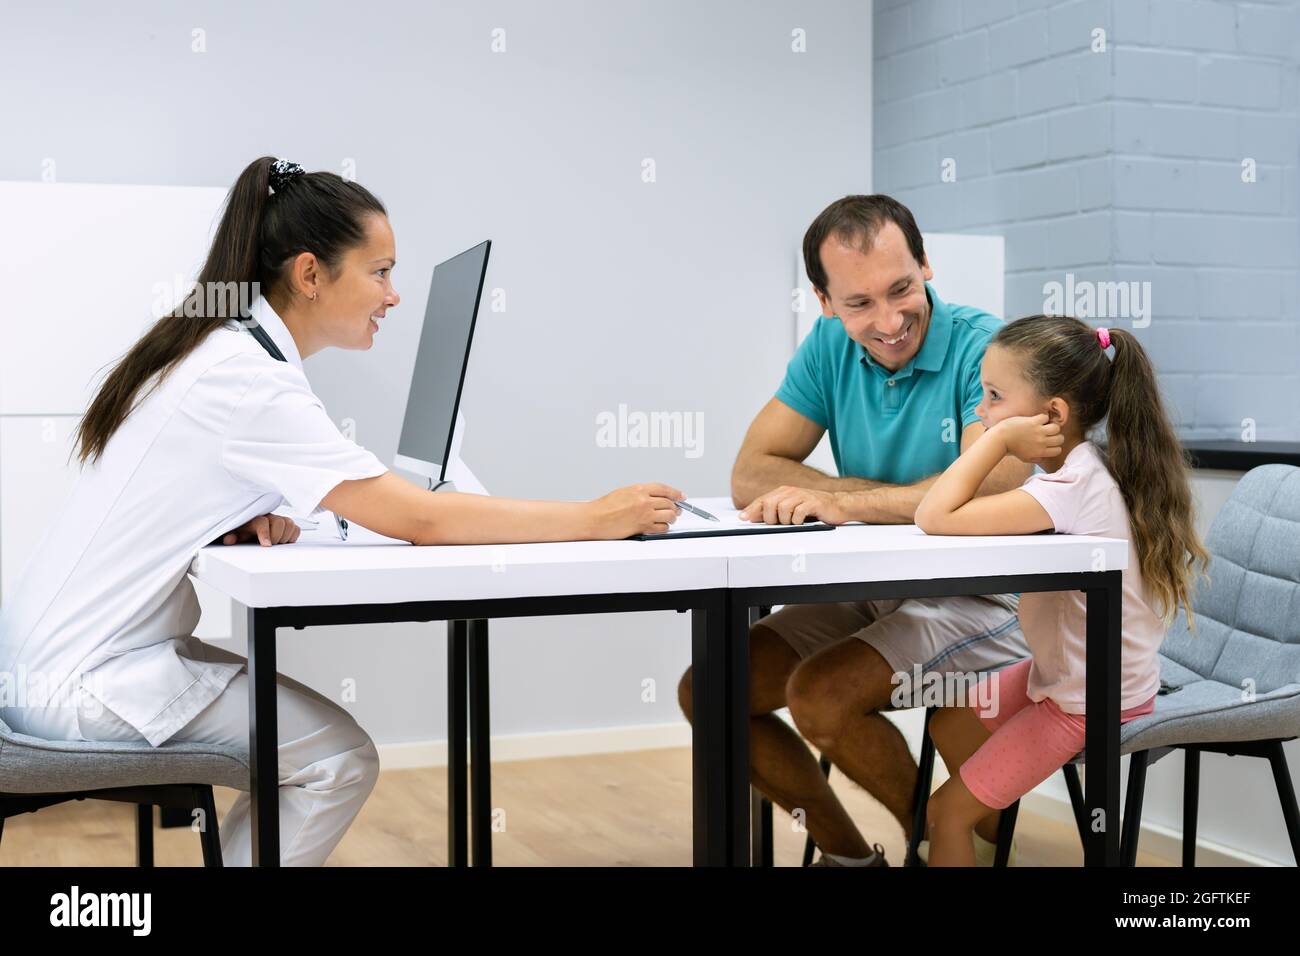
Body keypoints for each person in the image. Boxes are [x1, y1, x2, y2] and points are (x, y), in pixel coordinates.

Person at [0, 156, 682, 866]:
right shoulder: (247, 378)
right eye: (380, 271)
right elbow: (422, 521)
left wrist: (244, 513)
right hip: (82, 686)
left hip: (54, 662)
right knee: (338, 759)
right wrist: (598, 516)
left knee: (324, 751)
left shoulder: (222, 352)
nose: (393, 296)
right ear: (310, 274)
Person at [677, 195, 1034, 867]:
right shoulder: (827, 348)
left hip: (981, 597)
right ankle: (852, 859)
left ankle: (937, 846)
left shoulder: (988, 348)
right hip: (877, 585)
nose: (890, 320)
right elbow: (751, 473)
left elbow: (994, 481)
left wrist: (848, 504)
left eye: (902, 289)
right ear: (823, 301)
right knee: (710, 690)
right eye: (859, 303)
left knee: (821, 696)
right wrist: (867, 500)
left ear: (926, 264)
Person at [915, 315, 1209, 866]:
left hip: (1089, 697)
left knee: (943, 813)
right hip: (1065, 673)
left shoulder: (1072, 485)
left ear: (1052, 415)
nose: (981, 409)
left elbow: (934, 514)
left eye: (995, 396)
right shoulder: (1079, 469)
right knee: (950, 721)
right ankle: (990, 839)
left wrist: (999, 440)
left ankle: (963, 828)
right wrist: (1002, 428)